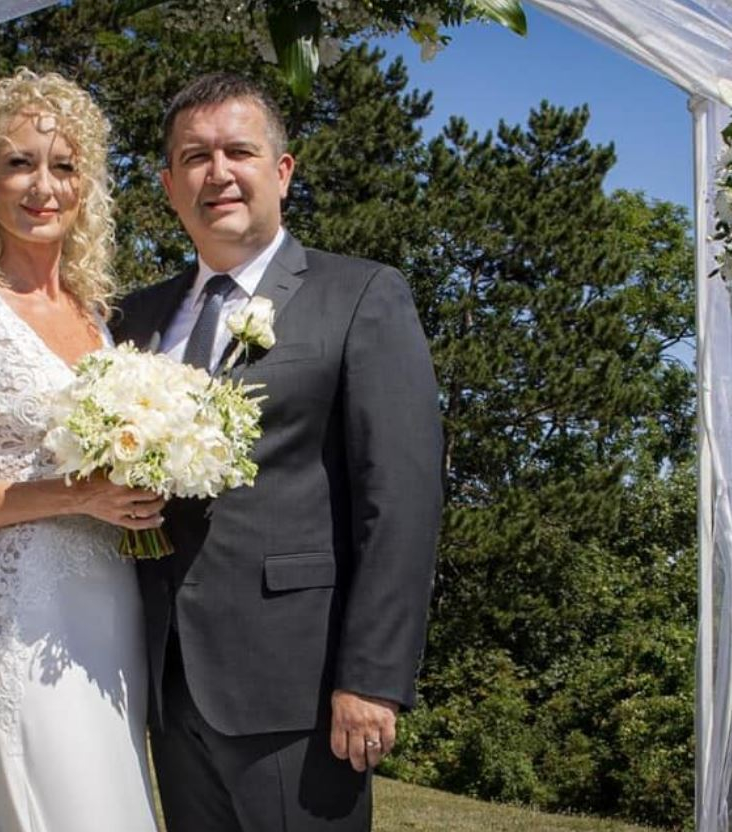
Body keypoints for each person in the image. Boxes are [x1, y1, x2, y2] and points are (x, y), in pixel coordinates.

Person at [114, 72, 444, 831]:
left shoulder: (360, 295)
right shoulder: (136, 317)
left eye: (239, 151)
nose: (218, 173)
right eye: (194, 157)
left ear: (283, 171)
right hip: (167, 684)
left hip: (301, 688)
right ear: (169, 185)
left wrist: (372, 677)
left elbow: (400, 501)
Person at [0, 69, 162, 832]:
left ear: (87, 187)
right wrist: (80, 496)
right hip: (30, 611)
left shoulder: (95, 318)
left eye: (63, 166)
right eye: (20, 163)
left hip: (114, 605)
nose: (43, 186)